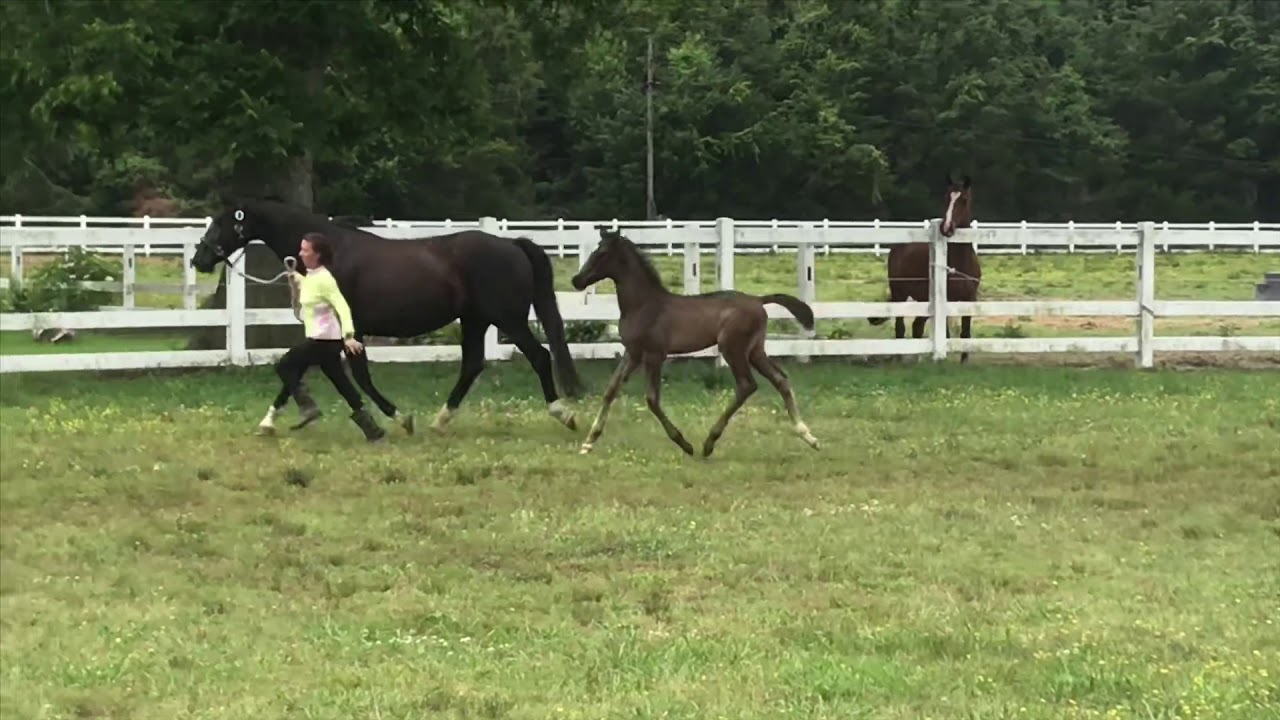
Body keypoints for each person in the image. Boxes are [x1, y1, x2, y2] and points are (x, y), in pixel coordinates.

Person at [257, 231, 386, 442]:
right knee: (342, 384)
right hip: (325, 342)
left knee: (284, 366)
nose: (300, 253)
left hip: (323, 341)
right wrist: (296, 279)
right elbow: (310, 289)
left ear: (317, 255)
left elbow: (342, 306)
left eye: (305, 250)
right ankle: (373, 430)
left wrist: (350, 336)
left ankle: (307, 406)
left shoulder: (325, 279)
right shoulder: (313, 276)